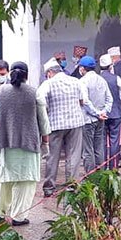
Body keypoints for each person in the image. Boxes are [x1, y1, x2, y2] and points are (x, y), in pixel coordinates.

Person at [0, 62, 50, 226]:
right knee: (26, 181)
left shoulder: (0, 92)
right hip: (28, 145)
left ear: (10, 74)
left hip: (5, 143)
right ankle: (19, 217)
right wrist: (45, 143)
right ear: (27, 75)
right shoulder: (34, 93)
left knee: (3, 180)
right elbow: (43, 121)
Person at [36, 58, 88, 197]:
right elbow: (83, 100)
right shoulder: (76, 81)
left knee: (52, 156)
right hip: (76, 123)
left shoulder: (47, 84)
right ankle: (72, 185)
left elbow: (40, 102)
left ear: (50, 72)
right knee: (73, 155)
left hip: (55, 124)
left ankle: (49, 187)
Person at [77, 56, 113, 173]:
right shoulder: (102, 80)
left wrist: (97, 113)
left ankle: (90, 175)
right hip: (100, 119)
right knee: (99, 147)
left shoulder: (82, 81)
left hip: (88, 120)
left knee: (88, 150)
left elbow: (85, 101)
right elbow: (109, 99)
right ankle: (100, 173)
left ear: (82, 68)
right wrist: (103, 112)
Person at [98, 53, 121, 169]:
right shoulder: (116, 78)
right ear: (110, 66)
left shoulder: (97, 79)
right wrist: (118, 106)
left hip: (101, 114)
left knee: (102, 141)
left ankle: (103, 167)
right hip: (116, 113)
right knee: (115, 141)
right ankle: (113, 166)